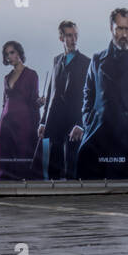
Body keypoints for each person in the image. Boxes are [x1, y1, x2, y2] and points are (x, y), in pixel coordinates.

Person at [71, 8, 128, 181]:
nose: (124, 34)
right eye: (119, 28)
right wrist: (88, 120)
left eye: (127, 29)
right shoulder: (97, 59)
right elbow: (88, 92)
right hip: (99, 132)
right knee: (89, 182)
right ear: (111, 29)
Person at [38, 20, 89, 180]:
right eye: (69, 36)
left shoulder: (86, 62)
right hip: (55, 122)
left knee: (71, 168)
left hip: (74, 123)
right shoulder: (56, 60)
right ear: (61, 38)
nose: (73, 39)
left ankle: (73, 201)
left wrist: (81, 123)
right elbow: (51, 92)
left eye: (75, 35)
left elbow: (90, 97)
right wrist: (43, 121)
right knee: (53, 167)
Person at [0, 40, 40, 180]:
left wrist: (41, 102)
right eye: (7, 54)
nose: (9, 57)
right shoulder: (6, 78)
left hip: (23, 125)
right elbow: (4, 104)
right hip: (5, 126)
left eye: (12, 52)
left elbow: (34, 101)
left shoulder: (32, 74)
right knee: (5, 162)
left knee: (23, 159)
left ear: (19, 52)